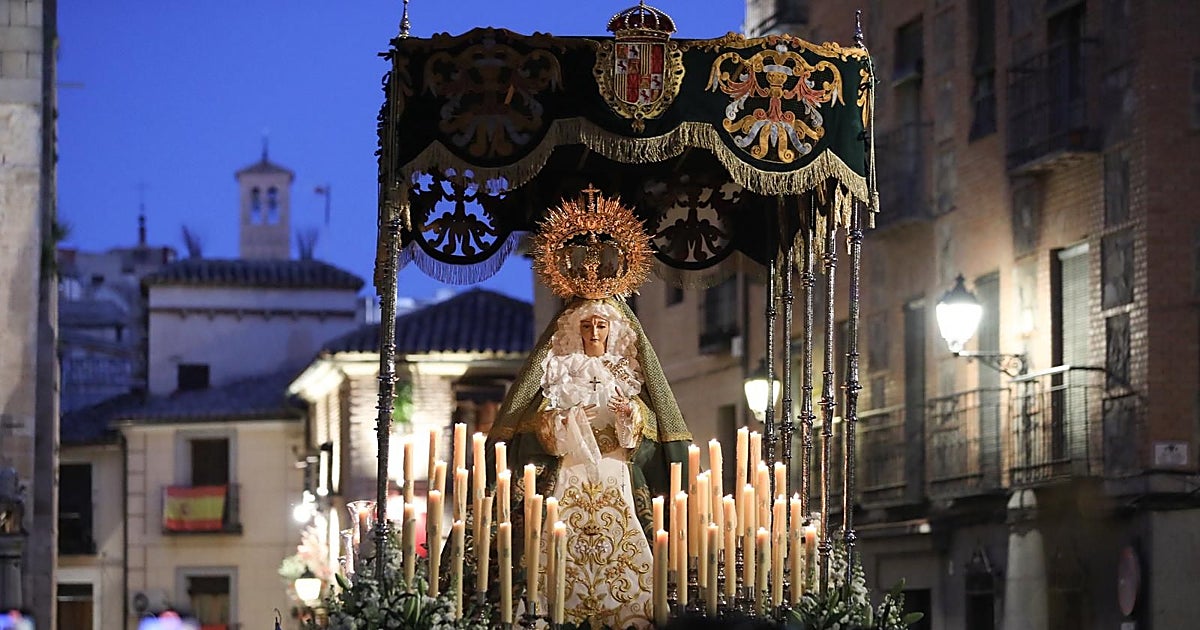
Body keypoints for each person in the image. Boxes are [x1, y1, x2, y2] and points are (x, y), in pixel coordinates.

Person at [488, 296, 690, 629]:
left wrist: (631, 415)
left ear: (613, 329)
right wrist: (568, 418)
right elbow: (536, 425)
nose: (594, 333)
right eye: (586, 325)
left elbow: (649, 430)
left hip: (616, 470)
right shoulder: (561, 370)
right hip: (571, 469)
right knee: (556, 544)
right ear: (574, 329)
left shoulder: (626, 370)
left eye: (601, 325)